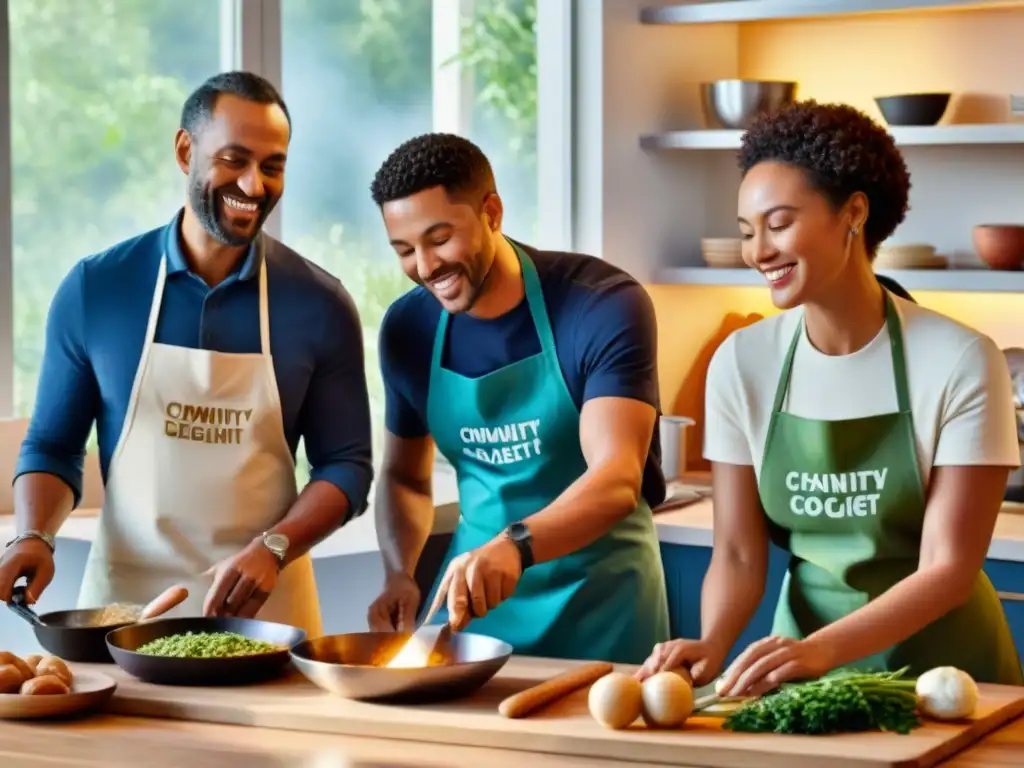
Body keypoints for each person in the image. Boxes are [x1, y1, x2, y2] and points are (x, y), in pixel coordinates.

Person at [636, 101, 1023, 691]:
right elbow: (739, 556)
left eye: (780, 222)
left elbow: (948, 568)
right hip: (803, 678)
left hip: (946, 678)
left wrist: (820, 651)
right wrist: (713, 640)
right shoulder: (741, 363)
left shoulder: (960, 359)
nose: (758, 250)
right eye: (747, 231)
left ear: (855, 213)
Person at [0, 71, 373, 638]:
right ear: (184, 151)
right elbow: (53, 446)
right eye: (234, 159)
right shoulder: (97, 289)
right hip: (119, 616)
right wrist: (34, 534)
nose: (254, 184)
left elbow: (347, 466)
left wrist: (274, 547)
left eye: (272, 166)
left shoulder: (319, 305)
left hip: (265, 619)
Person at [364, 132, 669, 664]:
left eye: (439, 238)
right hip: (475, 611)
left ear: (493, 211)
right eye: (404, 250)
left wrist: (514, 545)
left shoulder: (600, 306)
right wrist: (398, 571)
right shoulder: (407, 328)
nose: (425, 266)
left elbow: (617, 479)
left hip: (601, 608)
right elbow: (406, 478)